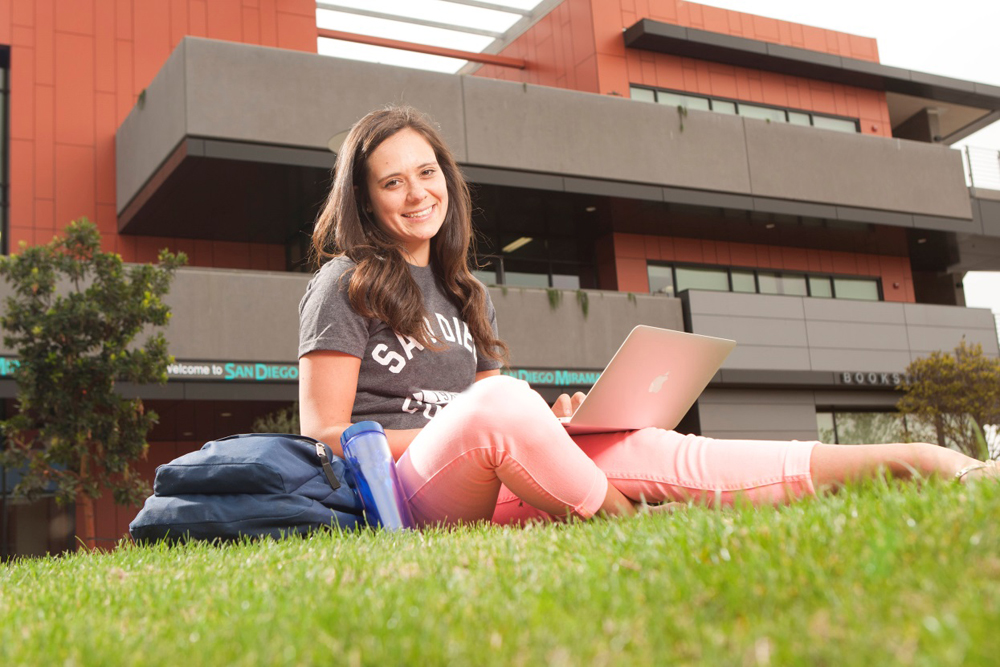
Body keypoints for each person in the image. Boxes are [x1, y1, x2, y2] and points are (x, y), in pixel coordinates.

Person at [298, 105, 997, 527]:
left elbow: (494, 413)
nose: (418, 192)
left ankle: (924, 462)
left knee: (648, 443)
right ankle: (627, 522)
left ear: (447, 180)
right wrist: (484, 420)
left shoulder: (461, 291)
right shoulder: (344, 283)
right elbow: (325, 433)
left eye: (428, 172)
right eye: (393, 180)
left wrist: (551, 422)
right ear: (366, 199)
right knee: (504, 404)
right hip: (402, 498)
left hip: (488, 476)